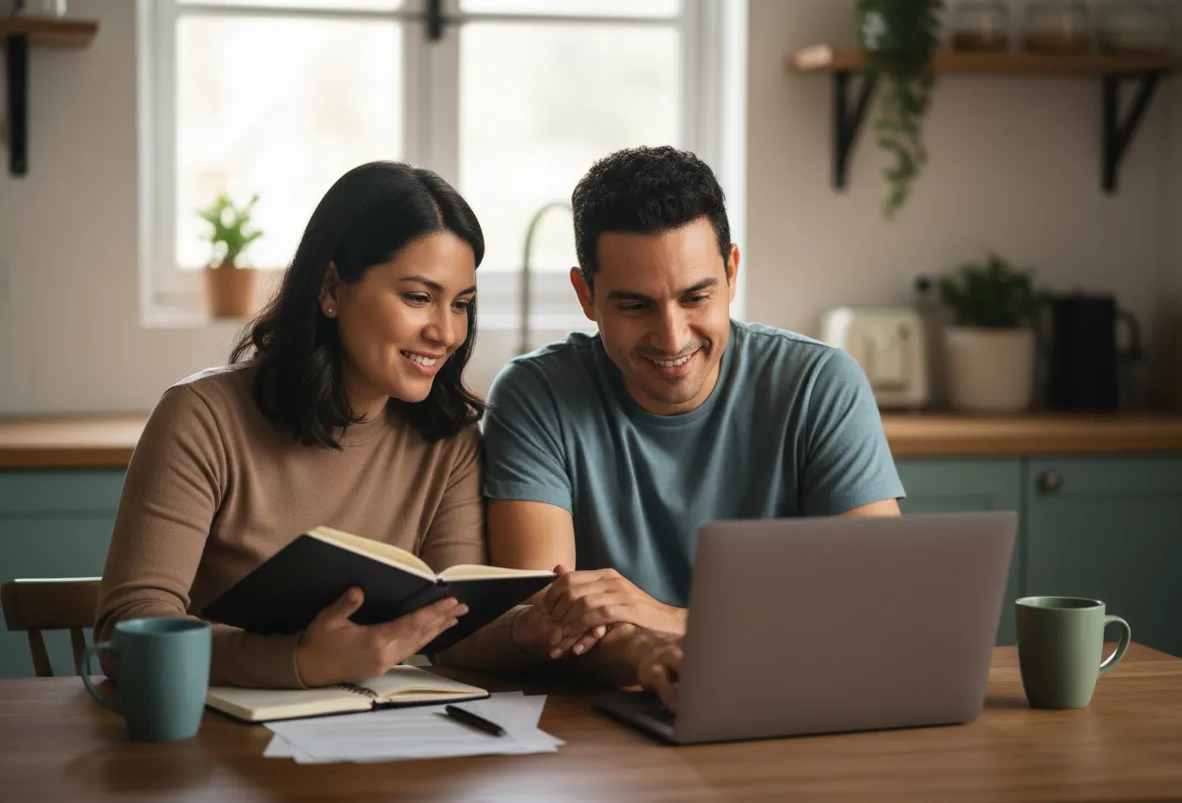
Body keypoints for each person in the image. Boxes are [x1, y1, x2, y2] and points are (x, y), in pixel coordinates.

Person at [94, 160, 557, 689]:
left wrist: (532, 629)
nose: (447, 332)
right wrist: (297, 661)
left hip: (373, 741)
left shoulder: (447, 441)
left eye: (462, 305)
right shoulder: (202, 419)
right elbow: (128, 630)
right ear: (332, 288)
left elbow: (449, 628)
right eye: (418, 297)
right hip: (214, 744)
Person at [479, 145, 906, 673]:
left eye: (695, 297)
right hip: (610, 721)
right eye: (635, 305)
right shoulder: (534, 396)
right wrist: (653, 651)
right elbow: (548, 622)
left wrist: (666, 619)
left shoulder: (819, 384)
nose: (672, 337)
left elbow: (879, 601)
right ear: (586, 295)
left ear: (731, 272)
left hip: (795, 693)